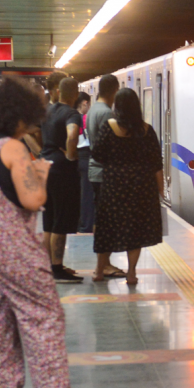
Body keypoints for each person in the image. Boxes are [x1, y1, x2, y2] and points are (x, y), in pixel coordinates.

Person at [0, 78, 99, 388]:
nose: (34, 125)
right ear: (17, 116)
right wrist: (38, 172)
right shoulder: (11, 149)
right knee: (43, 318)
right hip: (10, 246)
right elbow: (33, 199)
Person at [92, 88, 164, 285]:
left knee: (107, 227)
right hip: (141, 186)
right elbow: (156, 163)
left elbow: (97, 154)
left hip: (114, 185)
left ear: (118, 106)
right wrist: (161, 190)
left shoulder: (108, 127)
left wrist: (113, 162)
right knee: (135, 230)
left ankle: (99, 270)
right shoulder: (147, 130)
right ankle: (131, 273)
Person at [41, 78, 83, 284]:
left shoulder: (48, 111)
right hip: (62, 171)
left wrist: (42, 152)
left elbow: (31, 132)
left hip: (44, 166)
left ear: (58, 92)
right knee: (61, 219)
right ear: (75, 94)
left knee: (48, 220)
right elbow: (72, 135)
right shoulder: (71, 113)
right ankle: (57, 268)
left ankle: (49, 267)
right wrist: (71, 156)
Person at [86, 75, 124, 278]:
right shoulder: (107, 113)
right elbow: (110, 147)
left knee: (100, 219)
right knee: (107, 222)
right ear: (114, 91)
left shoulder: (93, 109)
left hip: (95, 170)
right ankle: (104, 265)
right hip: (104, 173)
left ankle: (102, 263)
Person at [75, 92, 95, 233]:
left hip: (75, 156)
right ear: (85, 103)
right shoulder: (86, 118)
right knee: (87, 194)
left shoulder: (71, 118)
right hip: (87, 156)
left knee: (79, 193)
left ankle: (78, 223)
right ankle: (86, 225)